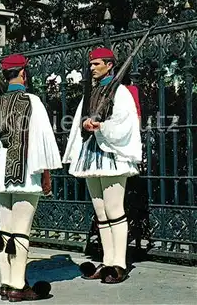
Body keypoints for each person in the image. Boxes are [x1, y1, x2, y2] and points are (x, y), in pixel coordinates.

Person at [0, 54, 62, 301]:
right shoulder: (32, 101)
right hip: (25, 169)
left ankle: (5, 283)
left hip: (0, 170)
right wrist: (46, 173)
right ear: (24, 73)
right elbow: (43, 139)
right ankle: (17, 285)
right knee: (21, 229)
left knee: (5, 230)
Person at [62, 47, 142, 284]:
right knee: (101, 212)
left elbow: (125, 123)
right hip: (90, 154)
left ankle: (119, 263)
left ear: (110, 65)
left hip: (111, 155)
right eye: (91, 64)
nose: (92, 68)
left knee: (114, 209)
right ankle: (107, 261)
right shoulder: (92, 92)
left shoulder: (121, 92)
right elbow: (79, 120)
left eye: (97, 63)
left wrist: (102, 127)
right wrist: (85, 126)